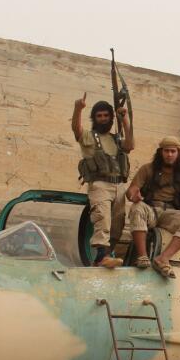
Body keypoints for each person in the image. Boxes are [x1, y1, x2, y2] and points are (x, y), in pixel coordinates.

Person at [71, 93, 134, 267]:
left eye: (106, 115)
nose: (103, 119)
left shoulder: (116, 138)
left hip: (118, 185)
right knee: (102, 218)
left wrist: (126, 119)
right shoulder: (89, 137)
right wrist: (78, 108)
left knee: (118, 223)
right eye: (99, 116)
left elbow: (130, 145)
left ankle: (105, 256)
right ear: (94, 118)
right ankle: (100, 256)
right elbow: (76, 130)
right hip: (100, 184)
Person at [124, 136, 180, 278]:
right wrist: (133, 196)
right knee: (136, 207)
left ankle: (163, 258)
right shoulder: (147, 169)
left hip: (170, 214)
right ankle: (142, 257)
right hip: (150, 209)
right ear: (160, 152)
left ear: (178, 153)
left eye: (173, 151)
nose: (169, 155)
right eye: (166, 151)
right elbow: (132, 190)